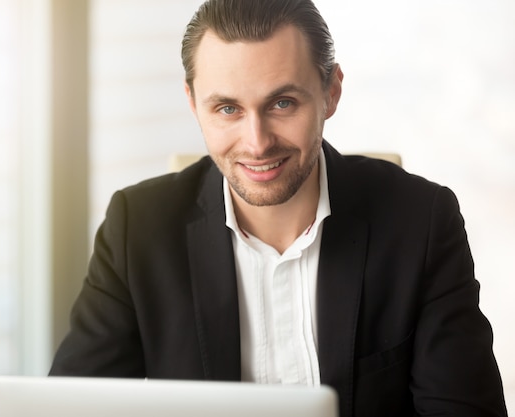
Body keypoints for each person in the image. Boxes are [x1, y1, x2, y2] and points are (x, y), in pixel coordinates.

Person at [50, 0, 507, 415]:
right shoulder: (137, 230)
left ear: (331, 92)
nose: (257, 143)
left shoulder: (422, 222)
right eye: (227, 109)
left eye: (283, 103)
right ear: (193, 104)